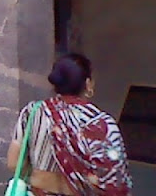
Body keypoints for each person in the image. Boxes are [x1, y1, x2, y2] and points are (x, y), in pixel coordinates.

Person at [7, 53, 132, 195]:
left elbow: (13, 162)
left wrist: (42, 179)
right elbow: (114, 182)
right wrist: (73, 185)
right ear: (88, 83)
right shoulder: (102, 125)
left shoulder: (32, 112)